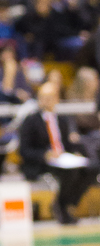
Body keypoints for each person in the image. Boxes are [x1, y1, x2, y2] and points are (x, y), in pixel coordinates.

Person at [20, 81, 99, 223]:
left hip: (63, 159)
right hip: (43, 163)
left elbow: (68, 144)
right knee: (71, 172)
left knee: (93, 167)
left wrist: (76, 152)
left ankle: (68, 203)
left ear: (57, 99)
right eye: (43, 97)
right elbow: (24, 150)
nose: (46, 100)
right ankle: (61, 206)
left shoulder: (63, 120)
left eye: (50, 97)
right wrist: (45, 154)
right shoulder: (31, 121)